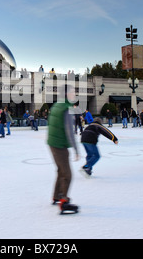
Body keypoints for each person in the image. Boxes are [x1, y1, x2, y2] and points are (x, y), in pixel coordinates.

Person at [47, 84, 79, 214]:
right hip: (60, 145)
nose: (75, 95)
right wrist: (76, 150)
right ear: (67, 94)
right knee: (67, 174)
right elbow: (69, 132)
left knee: (61, 171)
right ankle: (64, 201)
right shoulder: (66, 108)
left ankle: (57, 196)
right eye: (73, 92)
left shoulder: (56, 105)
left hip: (53, 143)